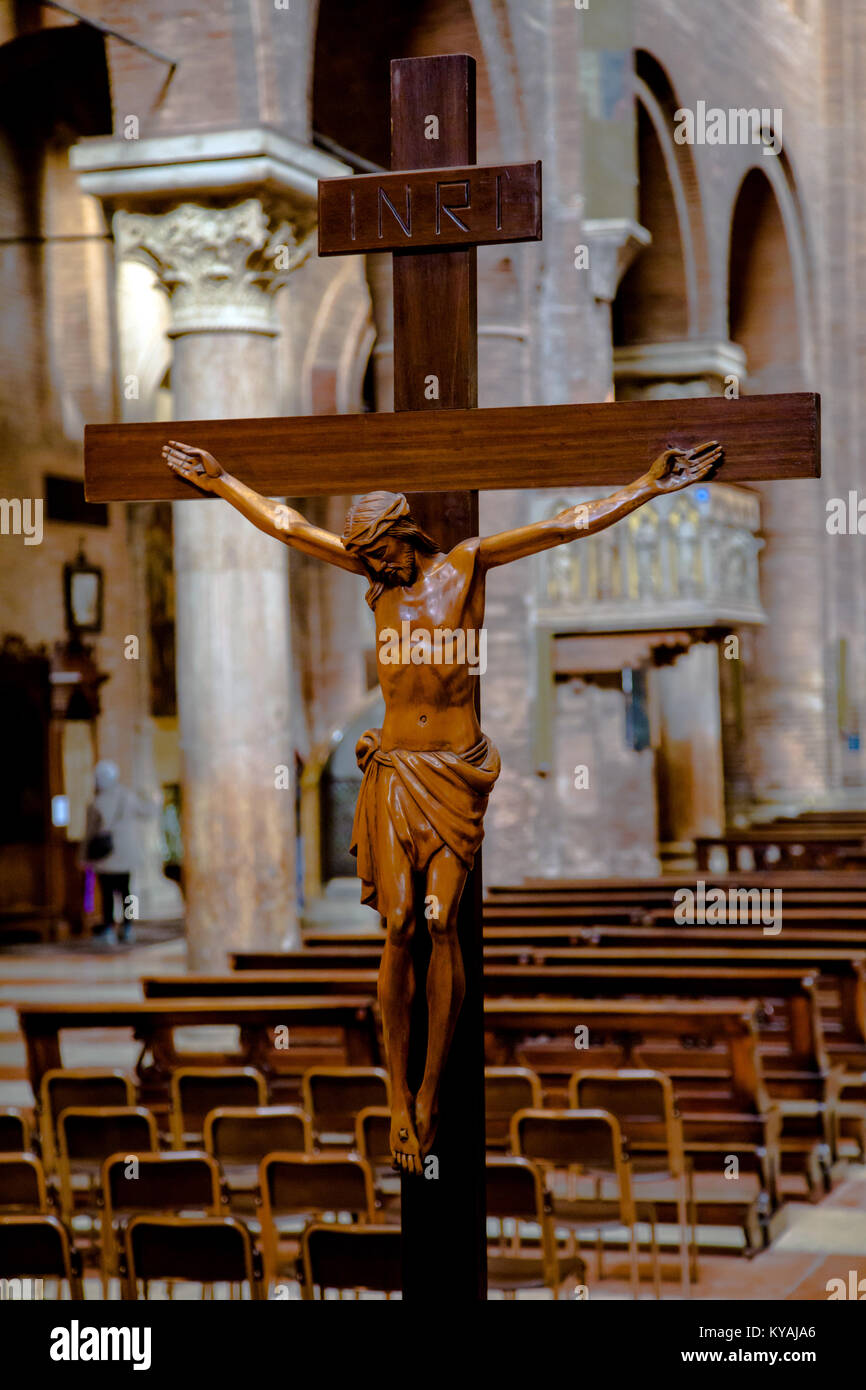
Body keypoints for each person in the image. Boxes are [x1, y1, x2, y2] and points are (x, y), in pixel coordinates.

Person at [163, 435, 721, 1172]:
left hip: (454, 772)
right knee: (397, 924)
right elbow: (290, 526)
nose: (376, 566)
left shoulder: (465, 567)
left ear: (405, 533)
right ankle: (395, 1096)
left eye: (383, 553)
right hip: (395, 770)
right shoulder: (376, 580)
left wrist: (648, 486)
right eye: (365, 556)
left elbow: (567, 525)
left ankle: (430, 1092)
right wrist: (224, 480)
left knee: (440, 921)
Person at [82, 761, 156, 944]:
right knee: (128, 893)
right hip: (126, 855)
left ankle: (108, 929)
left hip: (105, 856)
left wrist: (83, 858)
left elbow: (89, 834)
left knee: (107, 895)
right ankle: (129, 926)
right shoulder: (128, 797)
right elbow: (148, 812)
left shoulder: (97, 803)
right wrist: (150, 797)